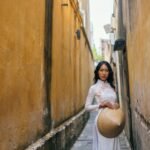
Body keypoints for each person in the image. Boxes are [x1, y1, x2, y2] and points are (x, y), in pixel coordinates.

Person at [85, 61, 120, 150]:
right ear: (97, 72)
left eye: (106, 70)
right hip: (102, 121)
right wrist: (100, 105)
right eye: (101, 70)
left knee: (113, 146)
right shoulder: (93, 88)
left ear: (109, 72)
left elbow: (115, 104)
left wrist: (116, 105)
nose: (104, 73)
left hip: (114, 121)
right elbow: (87, 107)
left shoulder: (112, 87)